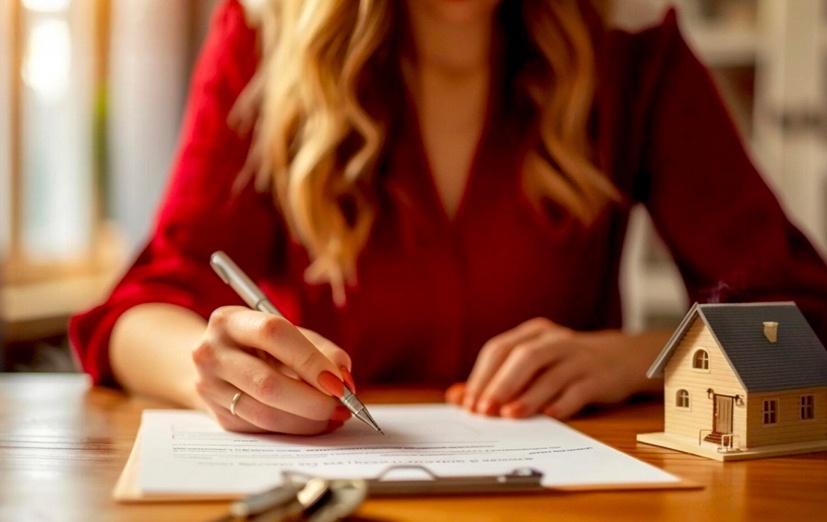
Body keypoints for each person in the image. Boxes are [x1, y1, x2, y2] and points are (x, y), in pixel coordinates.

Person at [70, 0, 827, 435]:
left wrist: (635, 360)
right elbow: (135, 312)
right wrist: (218, 373)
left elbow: (804, 322)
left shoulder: (631, 47)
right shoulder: (264, 34)